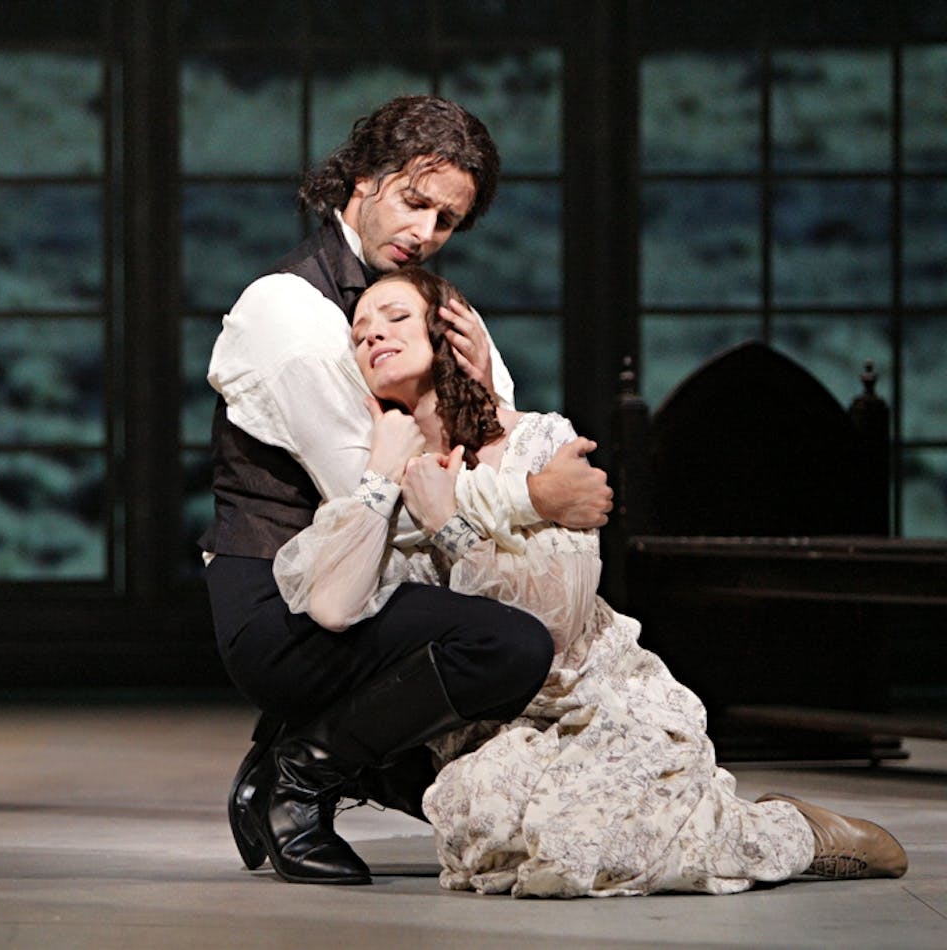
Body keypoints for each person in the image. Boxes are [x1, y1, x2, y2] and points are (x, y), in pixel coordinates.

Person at [273, 266, 909, 896]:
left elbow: (554, 620)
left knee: (590, 843)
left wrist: (449, 524)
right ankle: (747, 828)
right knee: (499, 835)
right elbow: (330, 604)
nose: (373, 336)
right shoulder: (379, 471)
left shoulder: (535, 441)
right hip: (486, 727)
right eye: (359, 334)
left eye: (396, 318)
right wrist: (384, 474)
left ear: (449, 332)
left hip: (592, 693)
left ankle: (797, 833)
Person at [201, 95, 614, 886]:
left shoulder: (426, 299)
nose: (425, 232)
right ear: (360, 183)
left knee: (543, 794)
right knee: (508, 646)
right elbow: (380, 498)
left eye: (448, 219)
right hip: (290, 604)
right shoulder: (288, 310)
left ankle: (322, 756)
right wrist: (537, 495)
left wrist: (492, 397)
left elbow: (482, 445)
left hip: (383, 583)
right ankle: (299, 775)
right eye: (414, 202)